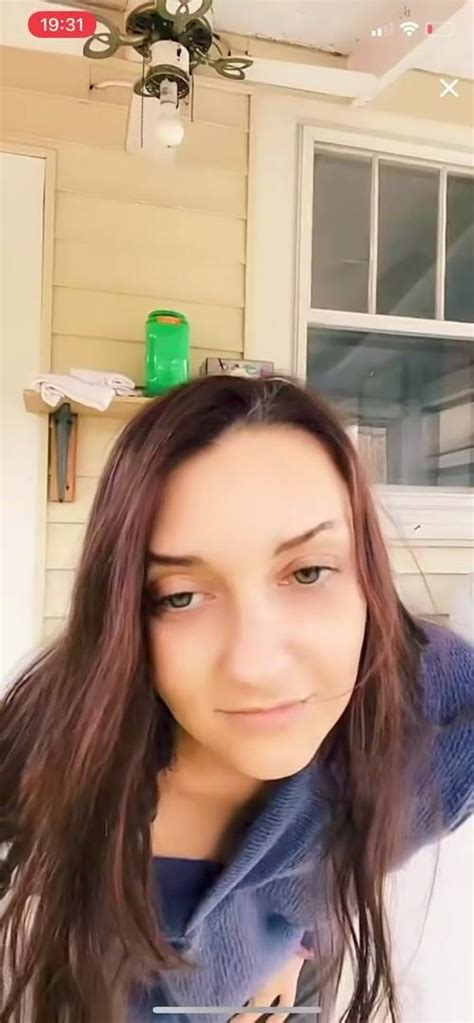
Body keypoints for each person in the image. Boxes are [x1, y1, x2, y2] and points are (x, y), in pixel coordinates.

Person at [1, 374, 473, 1023]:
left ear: (368, 583)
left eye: (308, 572)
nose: (255, 665)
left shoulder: (416, 700)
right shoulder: (41, 772)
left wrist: (295, 938)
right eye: (181, 596)